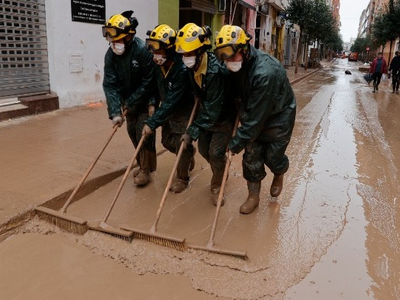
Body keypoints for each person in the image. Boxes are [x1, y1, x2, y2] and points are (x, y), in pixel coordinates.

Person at [214, 25, 296, 214]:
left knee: (272, 156)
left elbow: (255, 120)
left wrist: (235, 143)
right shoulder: (235, 63)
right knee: (251, 155)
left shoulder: (265, 73)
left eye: (230, 55)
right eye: (223, 56)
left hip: (278, 116)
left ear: (243, 49)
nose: (227, 61)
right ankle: (253, 196)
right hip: (252, 112)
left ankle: (279, 171)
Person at [175, 23, 237, 205]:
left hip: (222, 117)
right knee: (203, 150)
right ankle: (222, 169)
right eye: (183, 54)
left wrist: (191, 132)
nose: (185, 57)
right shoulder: (191, 67)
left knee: (216, 153)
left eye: (189, 53)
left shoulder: (215, 71)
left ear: (201, 51)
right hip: (206, 116)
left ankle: (217, 185)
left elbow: (213, 110)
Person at [102, 10, 157, 187]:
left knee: (144, 134)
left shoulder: (142, 51)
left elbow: (149, 81)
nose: (113, 44)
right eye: (111, 40)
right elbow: (110, 84)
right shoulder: (110, 55)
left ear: (128, 37)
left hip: (146, 100)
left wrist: (134, 101)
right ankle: (142, 164)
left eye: (117, 40)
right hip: (128, 103)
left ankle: (146, 170)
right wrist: (115, 111)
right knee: (133, 133)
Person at [141, 24, 196, 193]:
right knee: (166, 141)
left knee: (181, 144)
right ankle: (188, 155)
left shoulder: (181, 69)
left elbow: (173, 100)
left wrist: (152, 123)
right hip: (167, 109)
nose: (154, 54)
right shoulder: (159, 65)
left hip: (182, 110)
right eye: (152, 48)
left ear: (170, 49)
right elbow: (154, 87)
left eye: (158, 49)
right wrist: (152, 103)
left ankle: (182, 178)